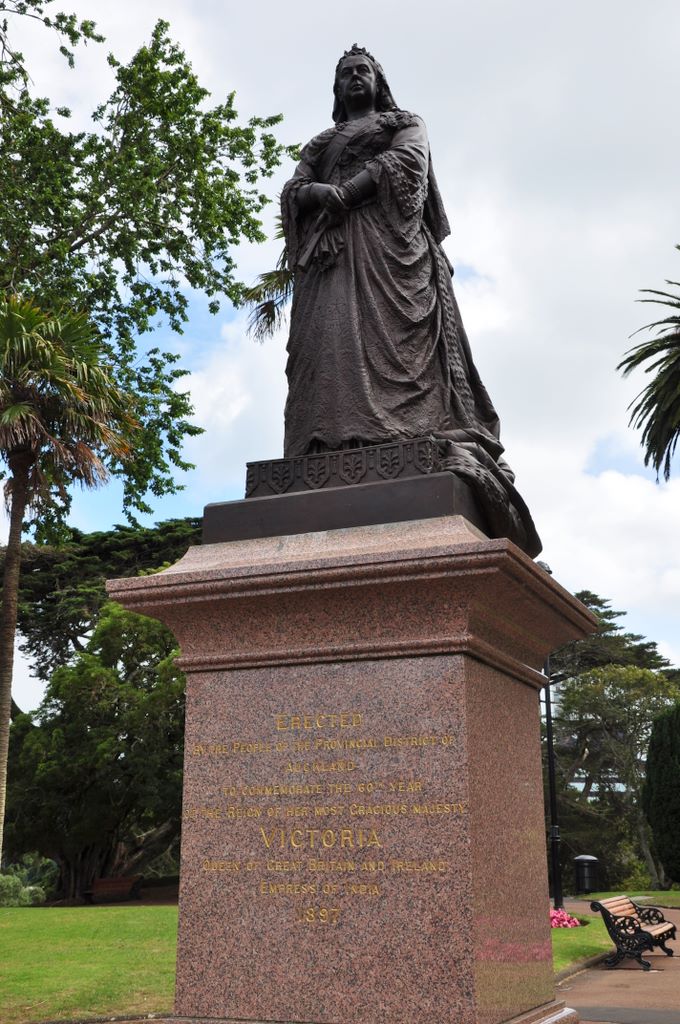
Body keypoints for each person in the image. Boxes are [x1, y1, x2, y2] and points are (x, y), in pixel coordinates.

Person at [281, 45, 541, 556]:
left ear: (379, 81)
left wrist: (347, 191)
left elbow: (407, 163)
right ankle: (332, 442)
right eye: (346, 74)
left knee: (399, 347)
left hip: (389, 249)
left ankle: (405, 434)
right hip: (331, 257)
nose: (355, 78)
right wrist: (316, 196)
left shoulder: (405, 122)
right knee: (328, 343)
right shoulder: (321, 141)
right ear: (336, 89)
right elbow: (294, 187)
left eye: (363, 71)